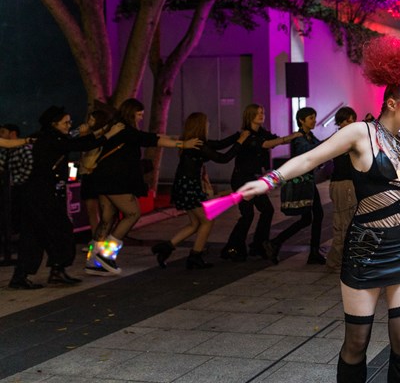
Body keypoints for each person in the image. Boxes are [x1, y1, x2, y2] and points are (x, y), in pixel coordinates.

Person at [237, 35, 400, 382]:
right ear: (392, 103)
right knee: (356, 342)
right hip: (365, 249)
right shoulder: (361, 133)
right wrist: (271, 179)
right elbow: (312, 158)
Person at [9, 106, 123, 289]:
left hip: (37, 194)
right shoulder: (50, 139)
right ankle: (53, 271)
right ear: (54, 124)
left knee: (36, 234)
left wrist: (101, 130)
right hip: (42, 194)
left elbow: (75, 140)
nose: (69, 125)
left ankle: (29, 275)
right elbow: (79, 145)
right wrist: (108, 135)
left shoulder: (50, 137)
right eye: (66, 122)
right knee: (60, 231)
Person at [86, 99, 201, 276]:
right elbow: (151, 140)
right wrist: (182, 144)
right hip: (117, 181)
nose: (141, 117)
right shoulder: (126, 130)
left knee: (107, 219)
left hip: (102, 179)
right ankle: (106, 255)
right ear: (131, 112)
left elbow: (150, 137)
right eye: (139, 114)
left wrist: (176, 138)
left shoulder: (115, 127)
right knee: (133, 213)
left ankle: (93, 260)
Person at [151, 113, 249, 269]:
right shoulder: (198, 145)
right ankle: (195, 256)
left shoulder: (195, 143)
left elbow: (218, 144)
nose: (208, 125)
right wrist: (240, 141)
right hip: (190, 187)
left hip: (185, 185)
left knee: (196, 223)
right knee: (207, 220)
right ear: (200, 125)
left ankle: (166, 247)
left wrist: (238, 134)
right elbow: (222, 158)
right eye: (207, 123)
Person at [220, 104, 301, 262]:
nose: (261, 115)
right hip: (241, 179)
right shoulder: (245, 135)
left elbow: (273, 140)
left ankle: (258, 244)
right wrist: (290, 137)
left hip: (254, 178)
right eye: (258, 113)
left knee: (267, 210)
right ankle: (233, 247)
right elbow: (266, 145)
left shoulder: (263, 133)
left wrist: (292, 138)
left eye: (262, 112)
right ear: (249, 116)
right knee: (247, 214)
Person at [264, 107, 326, 265]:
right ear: (301, 120)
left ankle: (277, 243)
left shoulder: (309, 135)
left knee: (309, 218)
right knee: (314, 215)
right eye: (311, 118)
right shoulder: (299, 138)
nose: (314, 120)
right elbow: (310, 151)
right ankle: (311, 252)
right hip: (302, 182)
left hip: (307, 181)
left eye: (314, 117)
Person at [326, 106, 358, 272]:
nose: (351, 122)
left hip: (347, 183)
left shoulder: (347, 137)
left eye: (353, 119)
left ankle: (341, 259)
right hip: (343, 184)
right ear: (340, 122)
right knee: (343, 222)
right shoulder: (341, 138)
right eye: (348, 120)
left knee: (348, 221)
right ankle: (336, 261)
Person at [78, 110, 111, 235]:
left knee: (103, 209)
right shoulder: (91, 135)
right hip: (87, 174)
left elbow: (86, 147)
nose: (89, 122)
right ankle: (96, 239)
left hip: (96, 174)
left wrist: (83, 136)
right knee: (91, 210)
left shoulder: (100, 136)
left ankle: (102, 238)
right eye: (89, 119)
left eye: (92, 120)